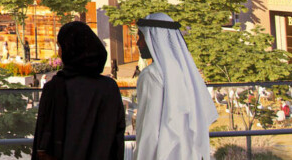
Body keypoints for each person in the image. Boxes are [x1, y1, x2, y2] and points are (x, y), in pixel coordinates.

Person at [130, 13, 218, 160]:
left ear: (154, 39)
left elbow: (149, 131)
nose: (138, 43)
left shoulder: (152, 75)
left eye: (142, 37)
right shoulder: (187, 72)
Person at [32, 21, 124, 160]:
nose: (59, 52)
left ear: (70, 49)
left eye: (60, 46)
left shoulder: (55, 87)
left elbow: (43, 140)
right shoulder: (109, 87)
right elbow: (116, 139)